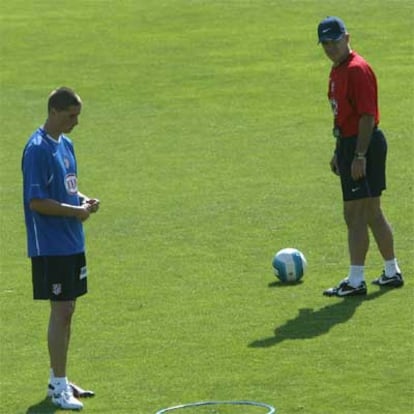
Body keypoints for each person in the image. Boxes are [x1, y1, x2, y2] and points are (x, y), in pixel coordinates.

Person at [22, 87, 99, 409]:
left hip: (70, 240)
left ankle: (61, 378)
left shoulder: (66, 144)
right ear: (54, 111)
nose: (75, 122)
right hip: (50, 245)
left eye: (77, 115)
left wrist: (82, 201)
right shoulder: (37, 149)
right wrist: (74, 212)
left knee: (68, 310)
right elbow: (37, 201)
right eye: (70, 116)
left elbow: (67, 188)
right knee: (62, 310)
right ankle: (57, 386)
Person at [317, 17, 404, 297]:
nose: (331, 47)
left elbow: (367, 116)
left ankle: (356, 281)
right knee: (370, 212)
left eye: (335, 41)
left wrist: (359, 155)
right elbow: (345, 114)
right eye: (326, 43)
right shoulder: (339, 69)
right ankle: (392, 272)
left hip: (362, 145)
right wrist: (338, 151)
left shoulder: (356, 70)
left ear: (347, 37)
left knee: (355, 214)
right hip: (350, 144)